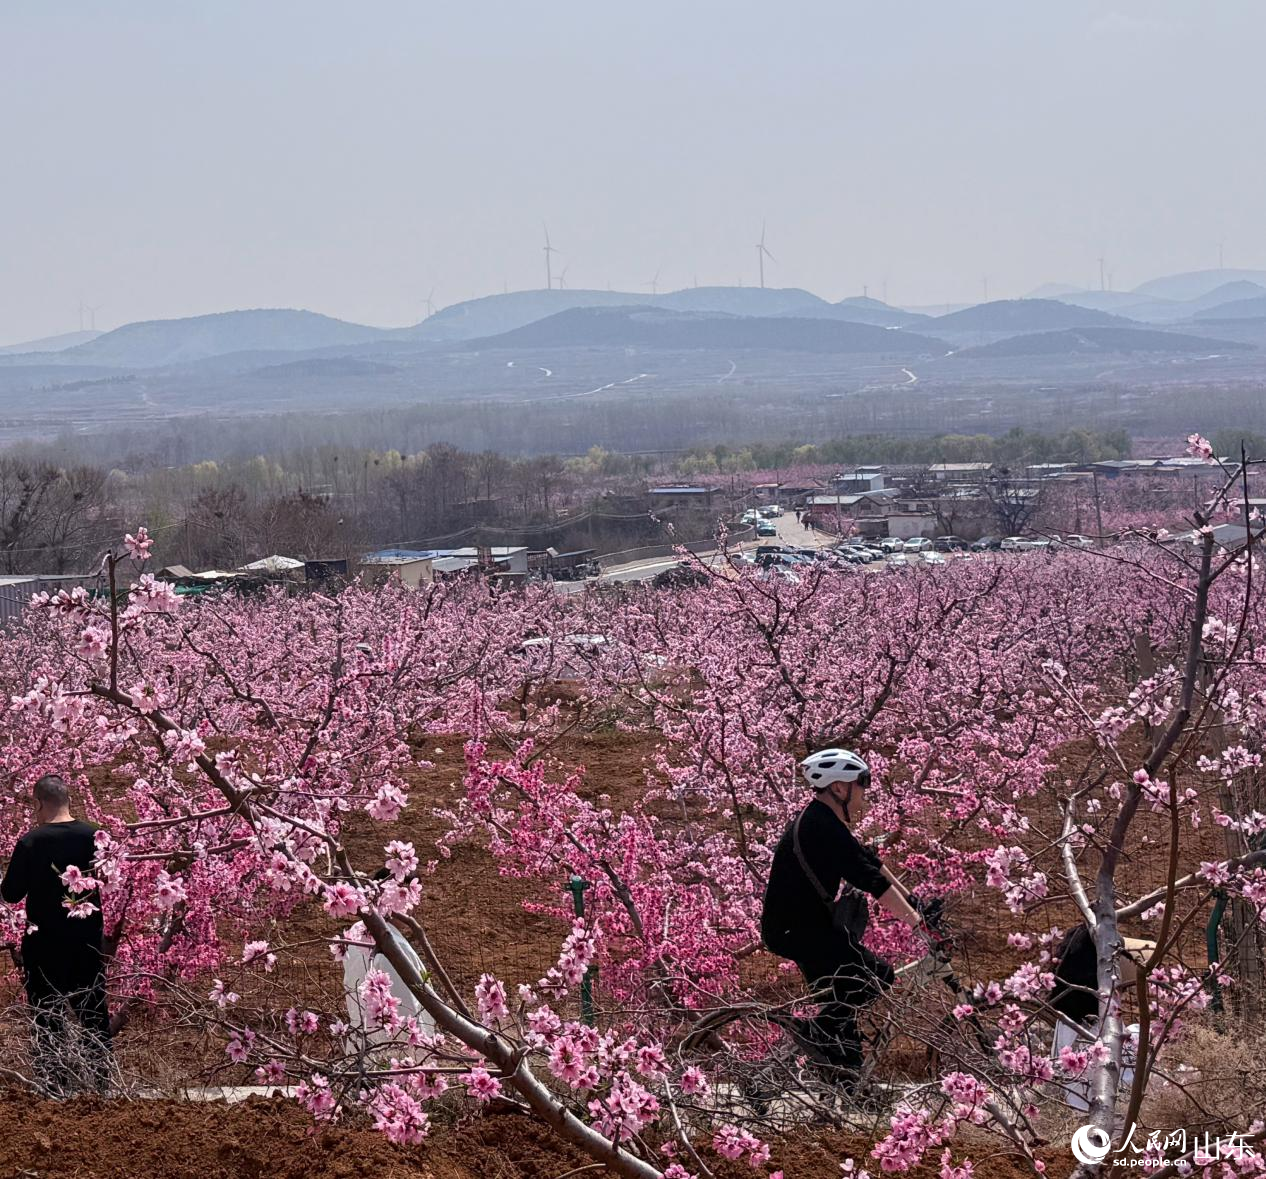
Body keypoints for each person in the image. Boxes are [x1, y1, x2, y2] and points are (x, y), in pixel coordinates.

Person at [761, 748, 941, 1085]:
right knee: (876, 975)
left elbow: (870, 862)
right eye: (862, 784)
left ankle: (843, 1081)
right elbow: (871, 881)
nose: (865, 793)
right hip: (796, 931)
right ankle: (817, 1035)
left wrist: (914, 903)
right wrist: (916, 923)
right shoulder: (820, 827)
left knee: (844, 1019)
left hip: (805, 927)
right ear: (839, 788)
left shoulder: (823, 820)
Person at [1, 774, 111, 1094]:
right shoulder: (95, 836)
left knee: (47, 1015)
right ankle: (101, 1086)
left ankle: (55, 1088)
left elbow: (11, 894)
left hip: (44, 945)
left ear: (38, 803)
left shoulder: (31, 842)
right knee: (93, 1013)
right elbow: (110, 879)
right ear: (69, 800)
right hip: (87, 941)